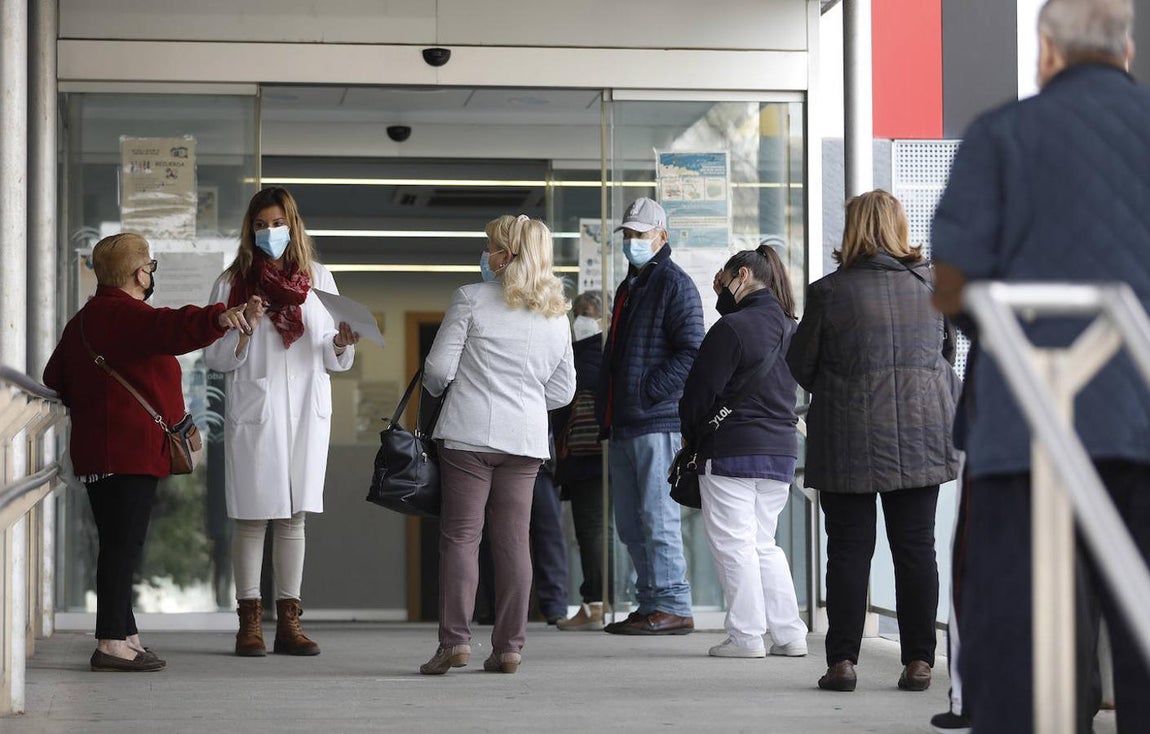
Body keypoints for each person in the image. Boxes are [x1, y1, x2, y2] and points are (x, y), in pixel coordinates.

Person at [931, 1, 1150, 731]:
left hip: (1027, 435)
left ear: (1048, 53)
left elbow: (953, 284)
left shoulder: (1001, 135)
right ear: (1126, 51)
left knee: (1024, 665)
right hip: (1144, 426)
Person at [44, 232, 258, 672]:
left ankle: (125, 634)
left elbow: (54, 376)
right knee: (123, 548)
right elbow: (169, 328)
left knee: (117, 545)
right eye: (150, 266)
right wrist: (219, 318)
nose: (151, 274)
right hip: (128, 452)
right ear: (140, 272)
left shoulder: (85, 320)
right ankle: (109, 642)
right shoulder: (125, 314)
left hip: (99, 452)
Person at [786, 190, 959, 693]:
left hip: (847, 438)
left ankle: (842, 662)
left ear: (853, 230)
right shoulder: (934, 285)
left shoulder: (828, 293)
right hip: (922, 438)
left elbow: (801, 366)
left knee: (847, 550)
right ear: (900, 229)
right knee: (915, 549)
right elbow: (945, 352)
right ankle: (920, 662)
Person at [204, 187, 360, 657]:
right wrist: (245, 324)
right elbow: (214, 357)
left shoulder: (320, 280)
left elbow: (334, 359)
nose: (269, 233)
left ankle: (289, 623)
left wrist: (341, 343)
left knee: (294, 519)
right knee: (252, 518)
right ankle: (249, 622)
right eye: (260, 225)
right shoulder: (232, 283)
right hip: (257, 412)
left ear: (293, 225)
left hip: (306, 415)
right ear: (250, 231)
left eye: (276, 223)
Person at [419, 214, 575, 675]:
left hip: (469, 434)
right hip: (525, 440)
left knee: (462, 538)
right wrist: (523, 400)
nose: (486, 255)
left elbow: (437, 373)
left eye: (491, 246)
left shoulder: (470, 299)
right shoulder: (555, 314)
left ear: (507, 255)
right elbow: (563, 391)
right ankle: (509, 648)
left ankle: (455, 643)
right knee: (513, 543)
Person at [679, 244, 809, 659]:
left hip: (731, 450)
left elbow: (699, 394)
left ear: (744, 276)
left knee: (735, 544)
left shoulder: (732, 329)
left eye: (722, 278)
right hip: (781, 453)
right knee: (762, 543)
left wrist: (690, 438)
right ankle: (789, 634)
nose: (719, 286)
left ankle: (746, 636)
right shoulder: (792, 328)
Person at [597, 197, 704, 636]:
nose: (633, 242)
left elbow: (693, 350)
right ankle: (649, 603)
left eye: (641, 234)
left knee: (657, 518)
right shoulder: (632, 285)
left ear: (662, 236)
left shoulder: (673, 284)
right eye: (628, 234)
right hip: (626, 422)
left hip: (656, 421)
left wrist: (646, 391)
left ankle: (674, 605)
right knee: (631, 522)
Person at [554, 291, 608, 631]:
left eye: (587, 312)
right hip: (581, 453)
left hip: (591, 451)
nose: (581, 319)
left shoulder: (596, 353)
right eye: (577, 313)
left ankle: (596, 604)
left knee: (593, 529)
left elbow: (569, 391)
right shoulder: (577, 350)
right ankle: (598, 601)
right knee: (595, 530)